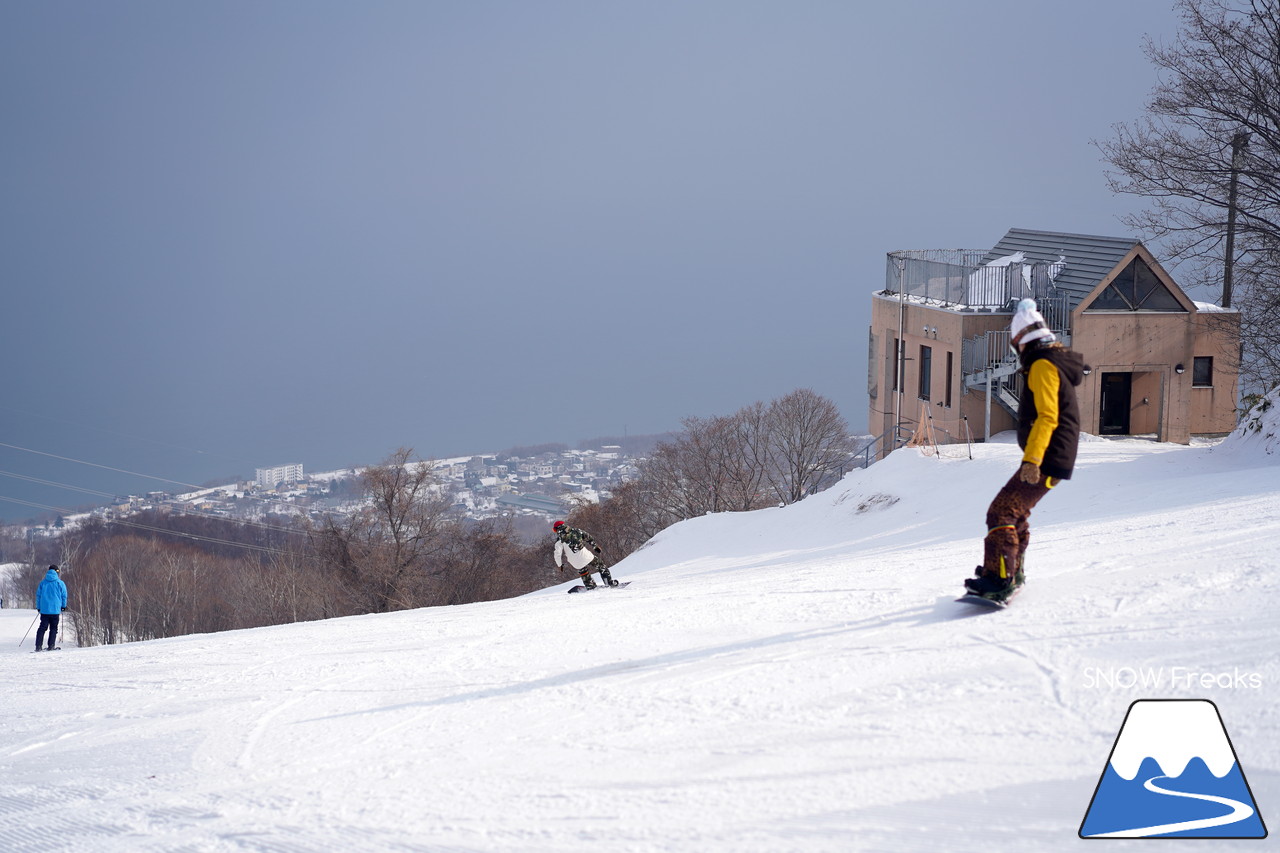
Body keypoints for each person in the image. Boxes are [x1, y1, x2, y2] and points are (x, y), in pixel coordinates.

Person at [965, 299, 1086, 602]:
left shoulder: (1043, 365)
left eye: (1014, 344)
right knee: (1015, 513)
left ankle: (1000, 579)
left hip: (1046, 457)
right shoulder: (1052, 361)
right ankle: (1011, 571)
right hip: (1054, 455)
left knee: (1001, 512)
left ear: (1021, 341)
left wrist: (1032, 460)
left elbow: (1048, 416)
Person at [552, 520, 618, 588]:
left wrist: (560, 565)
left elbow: (557, 554)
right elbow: (588, 537)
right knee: (601, 566)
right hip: (586, 556)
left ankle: (590, 586)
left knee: (583, 572)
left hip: (574, 562)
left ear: (556, 530)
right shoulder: (576, 531)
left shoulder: (559, 541)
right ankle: (609, 583)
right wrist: (595, 546)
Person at [35, 564, 68, 651]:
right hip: (55, 610)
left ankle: (38, 646)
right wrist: (63, 606)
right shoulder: (60, 583)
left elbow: (38, 596)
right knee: (53, 628)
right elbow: (64, 596)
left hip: (44, 610)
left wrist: (39, 607)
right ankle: (51, 645)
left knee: (42, 628)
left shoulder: (43, 583)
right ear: (57, 572)